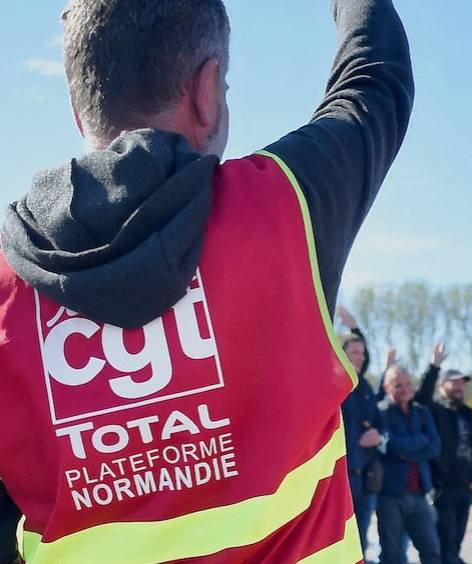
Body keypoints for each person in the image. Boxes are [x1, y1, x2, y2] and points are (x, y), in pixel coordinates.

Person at [0, 0, 412, 561]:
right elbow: (374, 82)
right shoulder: (286, 208)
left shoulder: (8, 286)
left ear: (79, 112)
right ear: (208, 89)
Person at [414, 343, 472, 564]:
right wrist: (434, 366)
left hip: (465, 487)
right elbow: (421, 398)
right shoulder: (434, 411)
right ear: (442, 385)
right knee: (445, 542)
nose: (459, 387)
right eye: (453, 383)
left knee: (456, 541)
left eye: (461, 383)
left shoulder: (469, 414)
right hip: (443, 489)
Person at [377, 365, 443, 564]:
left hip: (420, 494)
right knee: (392, 554)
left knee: (432, 551)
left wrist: (407, 454)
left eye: (407, 384)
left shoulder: (421, 412)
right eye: (398, 385)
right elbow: (392, 446)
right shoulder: (380, 412)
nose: (405, 389)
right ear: (387, 387)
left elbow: (435, 447)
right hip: (390, 495)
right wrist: (419, 439)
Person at [339, 306, 384, 560]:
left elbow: (381, 422)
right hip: (344, 477)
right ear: (342, 354)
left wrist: (379, 434)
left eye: (362, 353)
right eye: (354, 352)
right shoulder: (337, 382)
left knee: (361, 542)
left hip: (366, 478)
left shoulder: (364, 386)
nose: (361, 357)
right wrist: (354, 329)